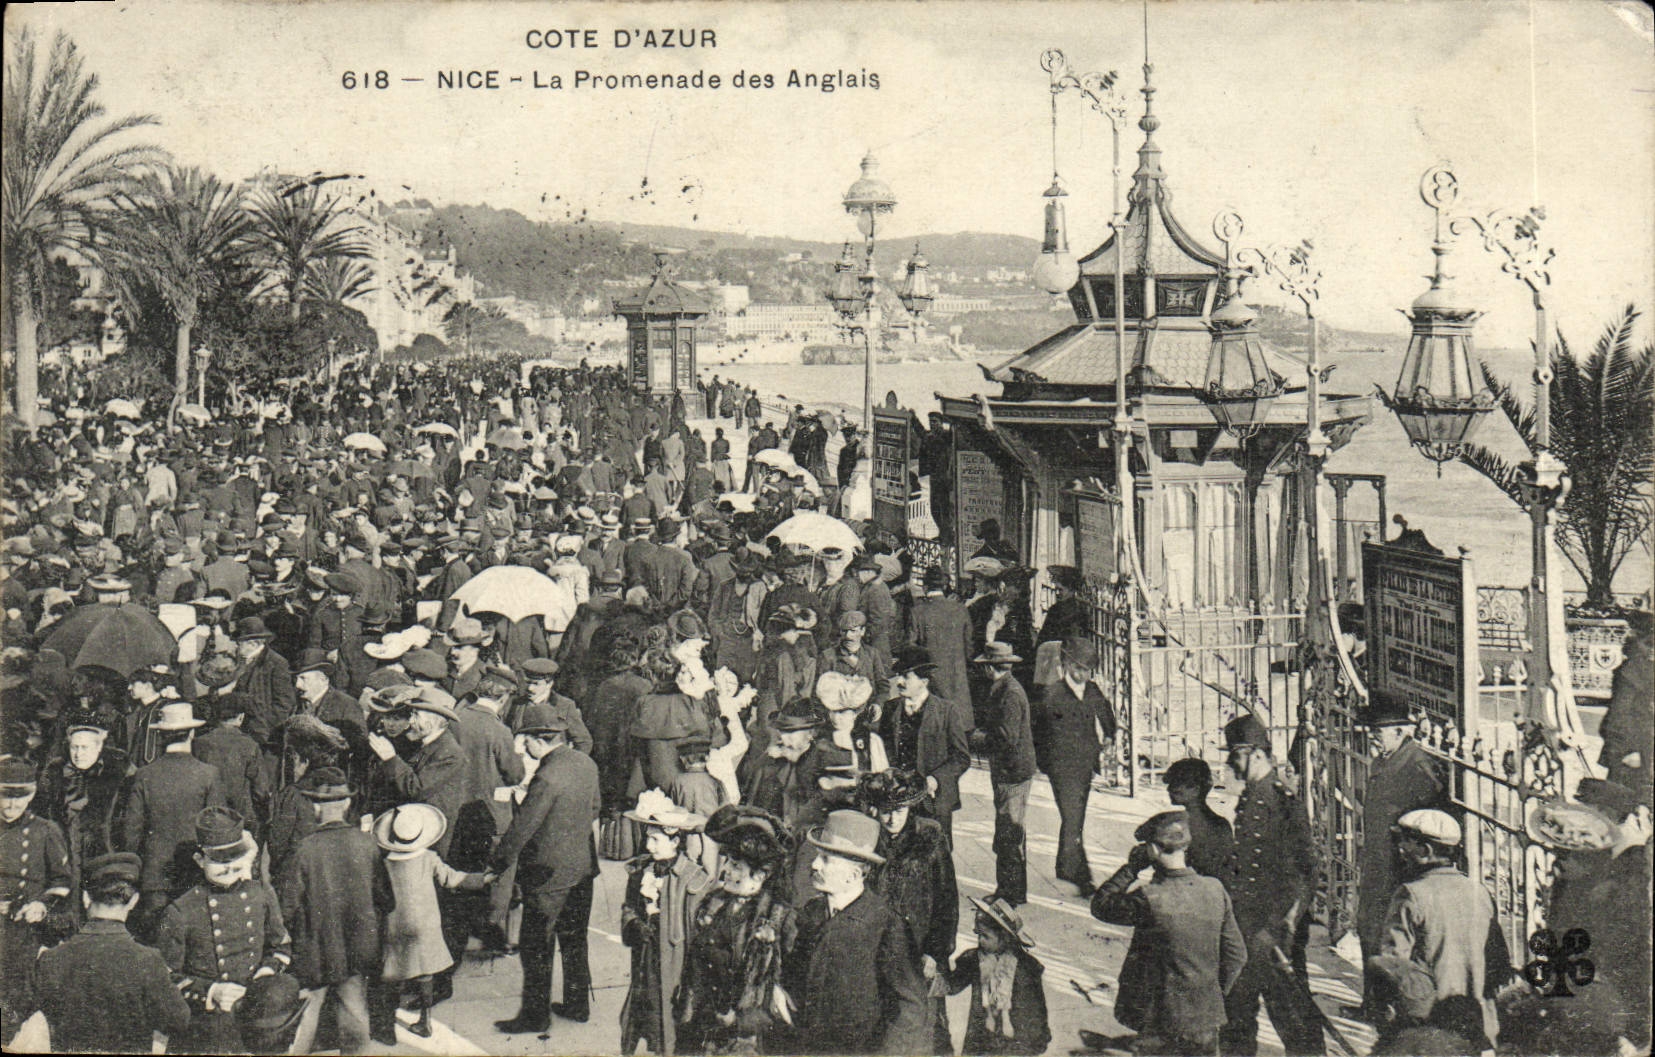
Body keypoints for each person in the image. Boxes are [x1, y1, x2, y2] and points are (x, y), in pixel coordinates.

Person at [1092, 809, 1247, 1056]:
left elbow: (1101, 906)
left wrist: (1131, 868)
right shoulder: (1215, 889)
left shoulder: (1149, 898)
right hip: (1205, 1019)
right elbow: (1237, 955)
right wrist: (1210, 995)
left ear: (1153, 849)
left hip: (1160, 1021)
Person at [491, 703, 602, 1034]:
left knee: (536, 947)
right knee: (574, 939)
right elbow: (595, 807)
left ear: (539, 740)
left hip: (548, 876)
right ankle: (577, 1004)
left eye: (525, 740)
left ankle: (535, 1016)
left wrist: (497, 865)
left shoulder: (546, 776)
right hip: (582, 867)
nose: (523, 747)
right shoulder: (585, 763)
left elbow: (523, 828)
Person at [1218, 713, 1323, 1057]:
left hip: (1272, 933)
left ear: (1256, 754)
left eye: (1236, 754)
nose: (1231, 762)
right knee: (1237, 1014)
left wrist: (1283, 927)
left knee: (1294, 1019)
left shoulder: (1280, 801)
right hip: (1247, 929)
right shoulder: (1253, 795)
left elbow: (1304, 872)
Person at [785, 809, 931, 1055]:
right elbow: (795, 973)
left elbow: (910, 1007)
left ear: (854, 875)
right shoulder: (813, 912)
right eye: (818, 855)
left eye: (826, 859)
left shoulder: (885, 924)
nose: (814, 864)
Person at [157, 807, 293, 1055]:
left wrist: (266, 973)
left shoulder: (260, 894)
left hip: (255, 1014)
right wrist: (211, 991)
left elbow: (281, 947)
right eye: (221, 862)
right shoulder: (180, 910)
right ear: (200, 860)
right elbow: (165, 977)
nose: (230, 868)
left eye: (235, 859)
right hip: (205, 1025)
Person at [1376, 808, 1511, 1047]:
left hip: (1430, 1022)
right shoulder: (1478, 891)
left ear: (1426, 851)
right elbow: (1498, 961)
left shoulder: (1411, 894)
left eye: (1405, 845)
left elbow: (1394, 966)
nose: (1400, 851)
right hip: (1477, 1022)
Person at [34, 852, 192, 1054]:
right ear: (134, 901)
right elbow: (178, 1020)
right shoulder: (147, 960)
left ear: (85, 898)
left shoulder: (51, 958)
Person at [677, 804, 799, 1055]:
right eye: (728, 863)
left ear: (761, 875)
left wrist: (742, 1020)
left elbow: (788, 986)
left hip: (750, 1037)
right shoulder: (713, 903)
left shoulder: (779, 918)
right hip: (705, 1028)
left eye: (736, 867)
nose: (726, 871)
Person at [1356, 691, 1448, 1019]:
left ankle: (1391, 1010)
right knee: (1368, 929)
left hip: (1399, 871)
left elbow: (1429, 827)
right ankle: (1372, 1004)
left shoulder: (1419, 767)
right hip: (1376, 864)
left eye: (1377, 731)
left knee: (1391, 941)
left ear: (1400, 730)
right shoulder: (1386, 760)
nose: (1372, 737)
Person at [276, 767, 381, 1055]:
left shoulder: (305, 848)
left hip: (315, 947)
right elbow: (385, 899)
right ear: (347, 804)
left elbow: (287, 906)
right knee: (356, 1012)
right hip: (357, 947)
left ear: (314, 806)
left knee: (306, 1012)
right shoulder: (368, 844)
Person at [857, 769, 957, 1055]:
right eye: (885, 811)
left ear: (910, 807)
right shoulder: (867, 836)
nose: (891, 819)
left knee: (927, 1027)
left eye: (899, 811)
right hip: (876, 946)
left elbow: (946, 899)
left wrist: (936, 953)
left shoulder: (930, 835)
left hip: (919, 948)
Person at [370, 802, 489, 1040]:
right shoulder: (429, 858)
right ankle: (425, 1021)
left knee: (391, 974)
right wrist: (484, 879)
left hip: (395, 924)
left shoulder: (383, 863)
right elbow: (452, 879)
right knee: (425, 973)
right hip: (426, 924)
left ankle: (386, 1029)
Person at [120, 700, 227, 942]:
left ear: (160, 736)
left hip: (154, 873)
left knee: (154, 938)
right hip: (194, 872)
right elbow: (215, 827)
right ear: (191, 733)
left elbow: (131, 831)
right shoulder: (208, 774)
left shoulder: (144, 775)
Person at [619, 789, 713, 1055]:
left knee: (670, 1016)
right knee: (642, 1006)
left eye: (656, 840)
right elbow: (628, 907)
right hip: (646, 957)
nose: (649, 846)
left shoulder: (692, 878)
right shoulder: (641, 872)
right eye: (648, 839)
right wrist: (635, 923)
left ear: (675, 842)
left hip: (675, 962)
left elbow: (699, 931)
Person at [1031, 636, 1116, 891]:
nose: (1082, 675)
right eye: (1077, 668)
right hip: (1061, 767)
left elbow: (1107, 718)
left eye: (1087, 670)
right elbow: (1039, 733)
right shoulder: (1052, 693)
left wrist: (1109, 739)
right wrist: (1045, 764)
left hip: (1085, 765)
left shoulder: (1093, 691)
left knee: (1074, 818)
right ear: (1066, 664)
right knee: (1072, 817)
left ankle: (1064, 866)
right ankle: (1082, 876)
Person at [0, 757, 71, 1039]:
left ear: (30, 796)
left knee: (17, 998)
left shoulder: (46, 830)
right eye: (4, 798)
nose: (11, 806)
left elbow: (63, 881)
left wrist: (41, 905)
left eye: (19, 799)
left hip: (26, 931)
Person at [880, 645, 972, 845]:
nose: (900, 682)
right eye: (898, 676)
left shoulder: (947, 711)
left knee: (935, 856)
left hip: (933, 801)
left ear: (924, 681)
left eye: (906, 676)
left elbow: (961, 757)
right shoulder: (890, 709)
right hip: (898, 801)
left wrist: (935, 779)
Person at [940, 896, 1052, 1056]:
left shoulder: (1025, 967)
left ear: (1005, 938)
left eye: (985, 936)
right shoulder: (974, 959)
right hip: (982, 1038)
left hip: (1015, 1039)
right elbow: (952, 985)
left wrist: (1039, 1037)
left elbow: (1036, 1007)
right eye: (978, 934)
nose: (980, 940)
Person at [975, 641, 1036, 905]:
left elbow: (1006, 738)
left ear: (990, 667)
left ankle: (1009, 894)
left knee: (1009, 833)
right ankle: (1011, 891)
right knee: (1009, 831)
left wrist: (977, 739)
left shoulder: (1009, 693)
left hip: (1012, 773)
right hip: (1010, 770)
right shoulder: (1004, 688)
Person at [907, 566, 974, 708]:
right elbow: (969, 646)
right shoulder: (960, 609)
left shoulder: (917, 612)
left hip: (933, 676)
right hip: (957, 673)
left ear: (925, 587)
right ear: (944, 586)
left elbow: (912, 647)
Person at [1164, 757, 1234, 880]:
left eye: (1176, 784)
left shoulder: (1176, 825)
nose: (1169, 789)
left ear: (1196, 790)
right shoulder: (1223, 824)